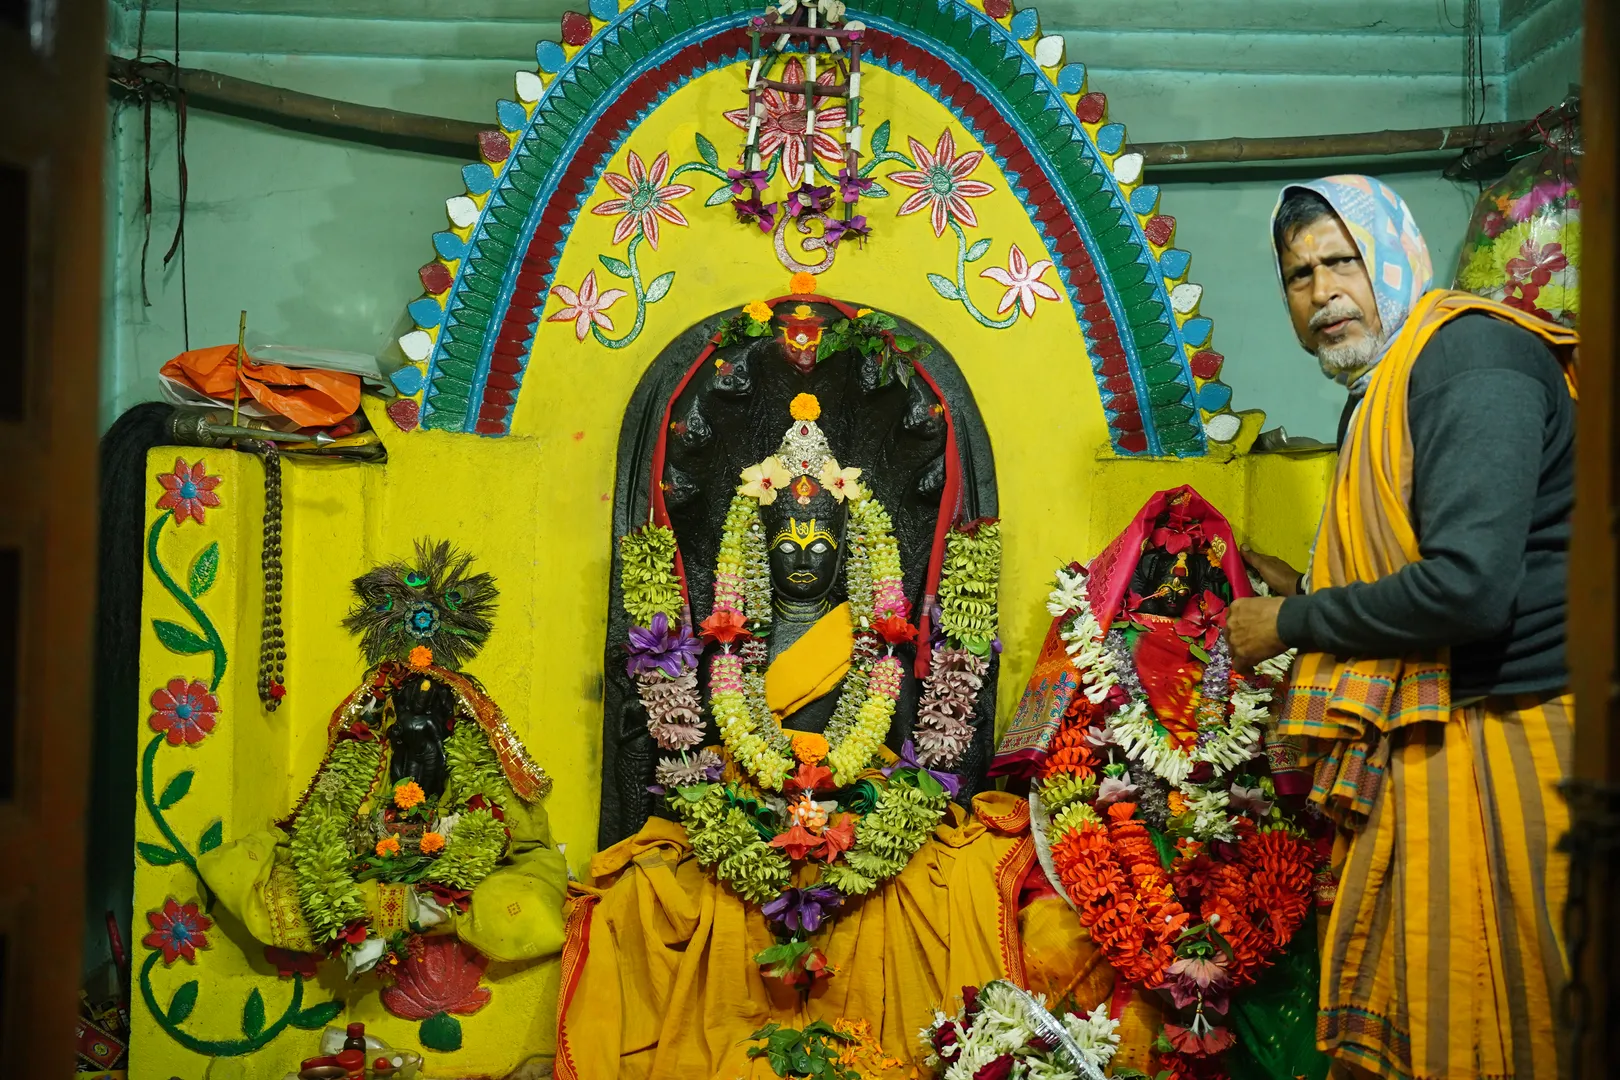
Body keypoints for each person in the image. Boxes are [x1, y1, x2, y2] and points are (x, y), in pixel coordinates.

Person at [1226, 175, 1579, 1080]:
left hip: (1520, 725)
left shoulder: (1470, 360)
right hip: (1442, 723)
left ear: (1394, 252)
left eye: (1341, 261)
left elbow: (1469, 591)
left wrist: (1293, 620)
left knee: (1526, 1022)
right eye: (1298, 275)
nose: (1322, 293)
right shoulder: (1391, 380)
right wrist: (1304, 583)